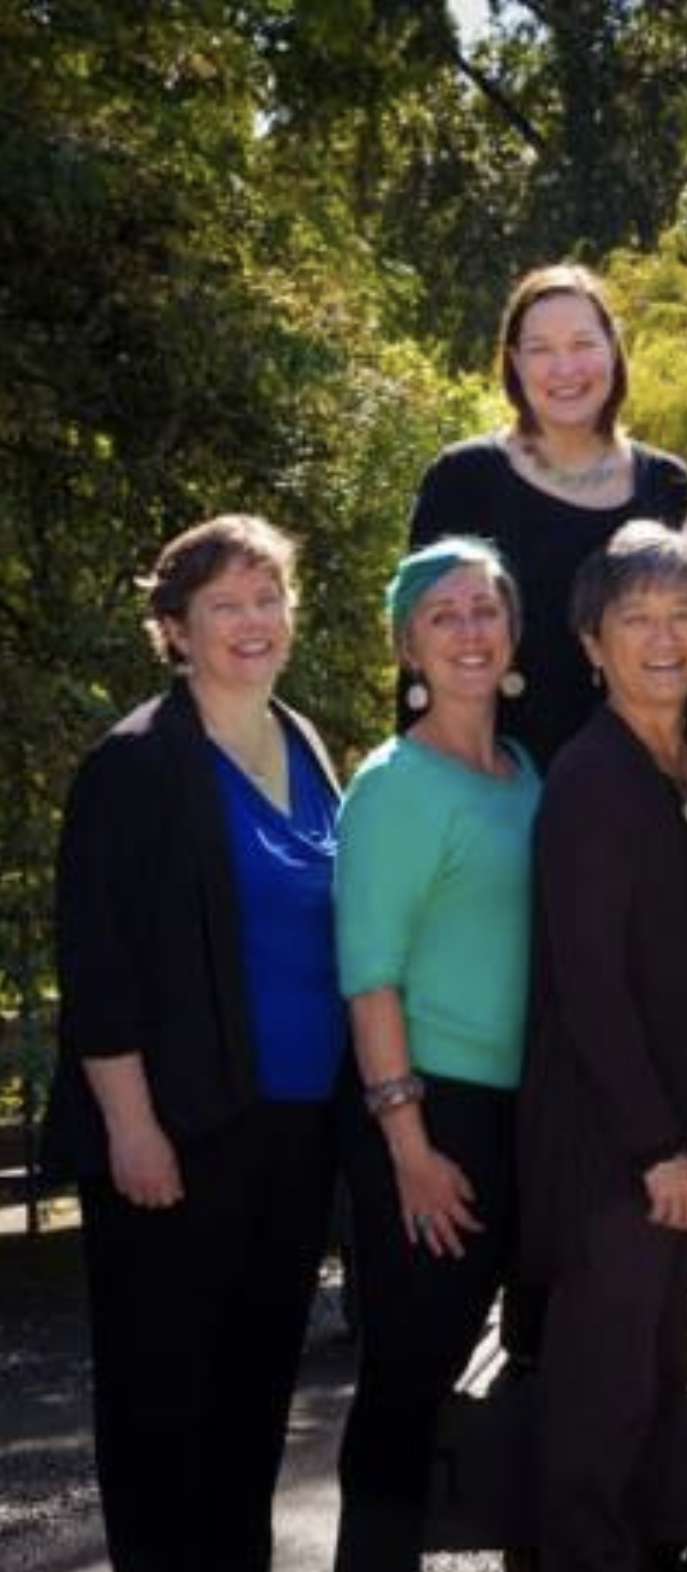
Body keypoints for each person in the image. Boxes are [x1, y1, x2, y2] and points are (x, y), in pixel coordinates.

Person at [45, 515, 347, 1571]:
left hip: (295, 1133)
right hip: (176, 1137)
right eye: (226, 605)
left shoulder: (302, 740)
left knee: (257, 1396)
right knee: (163, 1408)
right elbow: (98, 965)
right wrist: (132, 1129)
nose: (253, 623)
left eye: (269, 599)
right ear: (174, 630)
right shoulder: (135, 765)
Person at [518, 522, 687, 1570]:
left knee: (655, 1402)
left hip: (680, 1140)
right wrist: (656, 1148)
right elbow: (589, 987)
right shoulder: (592, 778)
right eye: (635, 619)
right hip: (615, 1153)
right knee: (597, 1426)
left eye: (681, 615)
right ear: (592, 645)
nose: (663, 637)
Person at [332, 538, 542, 1570]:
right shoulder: (392, 785)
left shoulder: (522, 770)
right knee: (408, 1385)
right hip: (427, 1116)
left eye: (484, 610)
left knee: (511, 1376)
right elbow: (369, 975)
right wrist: (409, 1145)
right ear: (409, 646)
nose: (469, 630)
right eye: (443, 616)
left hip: (525, 1112)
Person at [407, 262, 687, 771]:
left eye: (583, 344)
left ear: (614, 347)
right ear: (515, 363)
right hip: (501, 794)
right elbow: (420, 654)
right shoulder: (464, 481)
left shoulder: (669, 488)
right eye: (541, 350)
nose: (565, 368)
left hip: (640, 789)